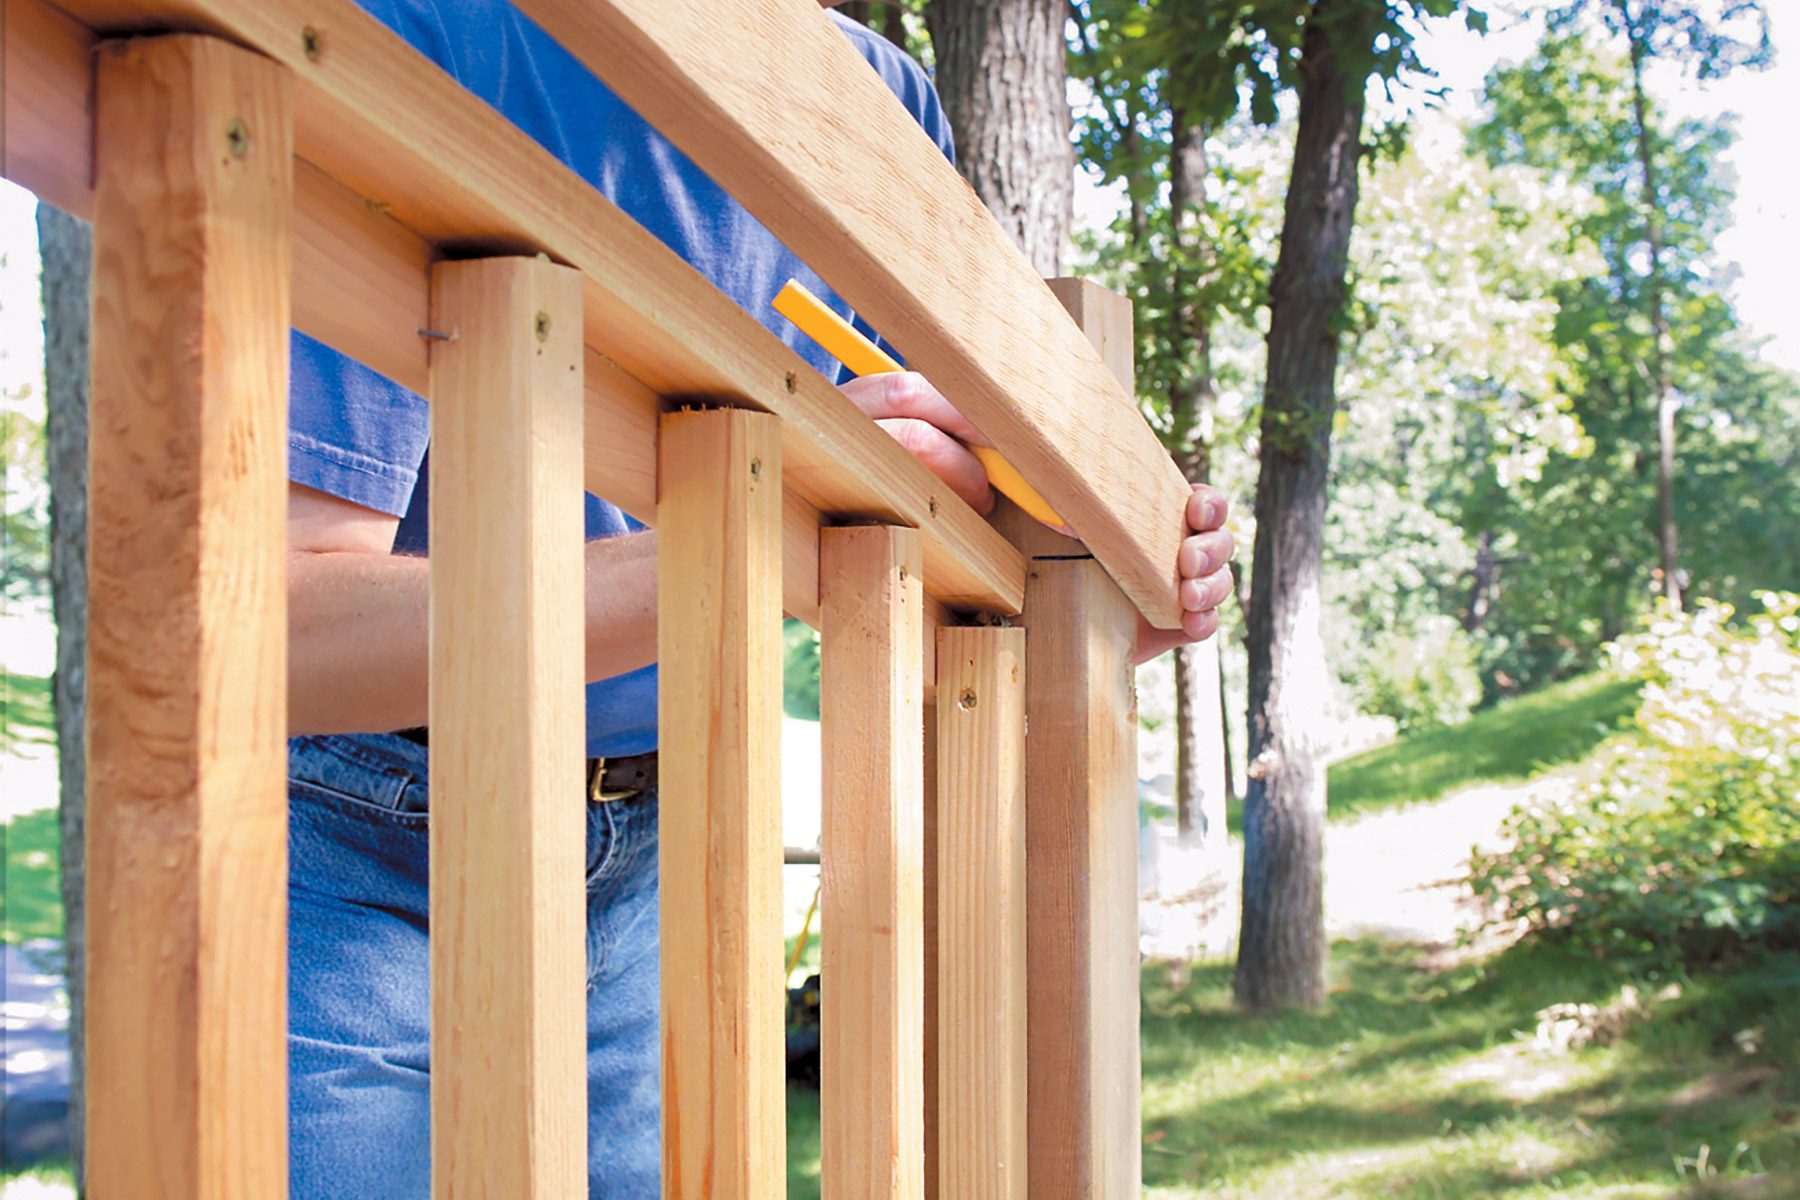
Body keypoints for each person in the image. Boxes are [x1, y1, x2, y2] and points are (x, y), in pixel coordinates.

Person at [283, 2, 1238, 1197]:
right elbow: (281, 634)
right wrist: (754, 505)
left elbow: (911, 535)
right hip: (354, 826)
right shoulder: (429, 25)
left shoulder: (875, 101)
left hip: (652, 840)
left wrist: (1089, 604)